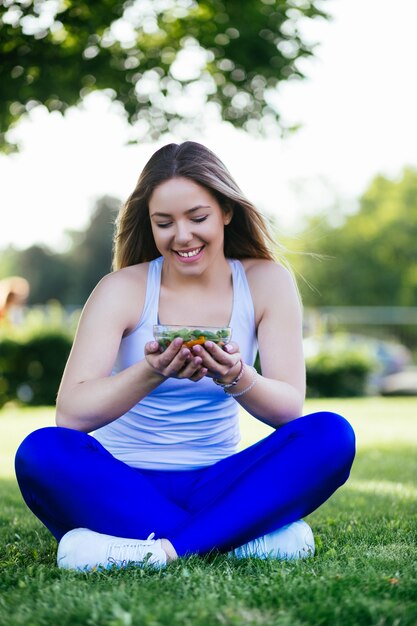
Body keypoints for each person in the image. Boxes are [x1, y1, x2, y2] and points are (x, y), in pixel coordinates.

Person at [15, 141, 355, 571]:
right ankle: (236, 538)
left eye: (198, 217)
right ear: (150, 225)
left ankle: (154, 551)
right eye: (164, 223)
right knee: (41, 451)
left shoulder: (267, 282)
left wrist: (238, 377)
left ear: (226, 211)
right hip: (123, 481)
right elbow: (72, 416)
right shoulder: (121, 288)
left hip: (219, 482)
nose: (182, 236)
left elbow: (289, 410)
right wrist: (150, 371)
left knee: (331, 435)